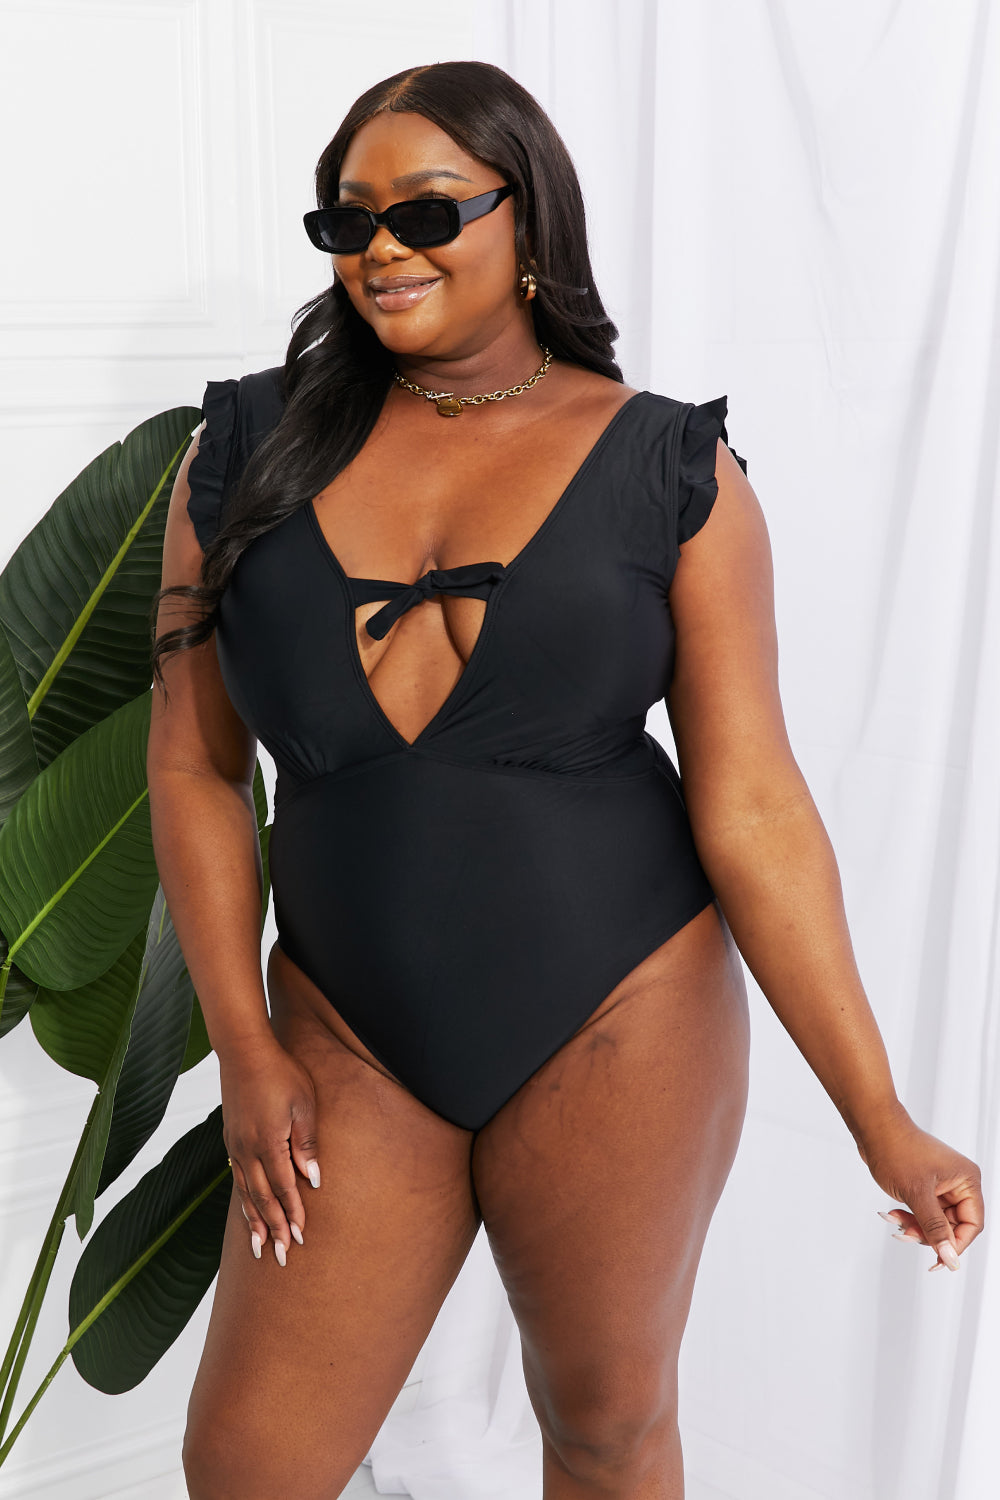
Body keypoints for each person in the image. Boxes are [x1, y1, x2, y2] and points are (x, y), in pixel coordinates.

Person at [147, 59, 984, 1500]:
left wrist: (880, 1118)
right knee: (249, 1468)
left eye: (426, 212)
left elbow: (756, 805)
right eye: (349, 222)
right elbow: (195, 765)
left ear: (527, 219)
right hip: (345, 1029)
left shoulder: (673, 469)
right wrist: (244, 1043)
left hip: (622, 1008)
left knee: (605, 1428)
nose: (384, 250)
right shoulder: (240, 455)